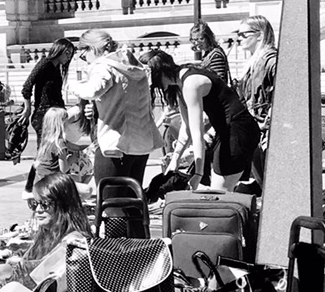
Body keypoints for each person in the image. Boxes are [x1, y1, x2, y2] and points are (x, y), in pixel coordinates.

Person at [141, 49, 260, 192]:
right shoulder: (180, 83)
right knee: (218, 189)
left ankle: (246, 197)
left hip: (239, 130)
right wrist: (175, 161)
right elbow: (187, 128)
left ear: (159, 73)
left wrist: (198, 174)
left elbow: (197, 133)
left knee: (219, 191)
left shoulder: (191, 84)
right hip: (227, 131)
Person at [67, 29, 162, 186]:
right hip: (141, 143)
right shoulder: (133, 66)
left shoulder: (103, 66)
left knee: (109, 198)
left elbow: (93, 90)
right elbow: (123, 99)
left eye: (83, 52)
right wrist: (98, 109)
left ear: (92, 48)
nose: (83, 57)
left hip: (115, 145)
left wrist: (72, 86)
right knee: (133, 196)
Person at [234, 15, 277, 183]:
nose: (239, 38)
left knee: (269, 182)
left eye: (243, 34)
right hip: (254, 131)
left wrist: (270, 119)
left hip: (267, 133)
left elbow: (285, 92)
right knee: (263, 182)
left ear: (260, 35)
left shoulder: (271, 60)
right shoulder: (254, 62)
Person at [20, 39, 76, 144]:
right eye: (67, 53)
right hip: (43, 114)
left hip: (55, 114)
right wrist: (27, 109)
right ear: (58, 50)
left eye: (71, 54)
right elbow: (27, 86)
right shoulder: (45, 63)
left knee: (55, 148)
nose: (69, 57)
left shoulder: (57, 68)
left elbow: (56, 93)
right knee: (45, 149)